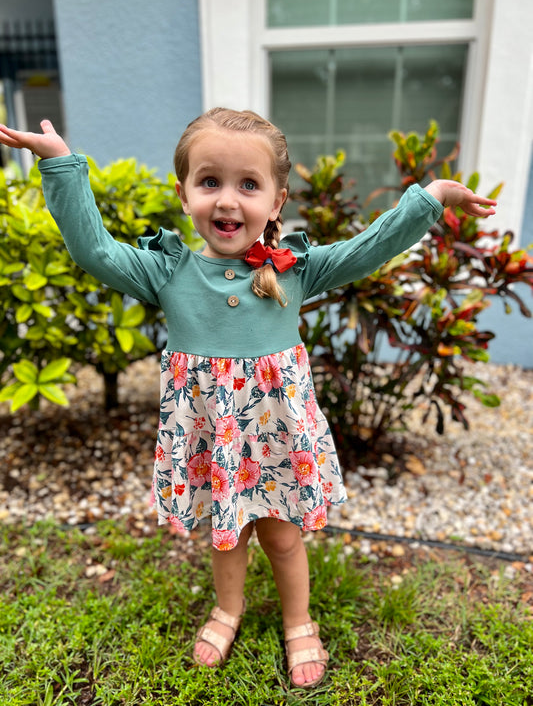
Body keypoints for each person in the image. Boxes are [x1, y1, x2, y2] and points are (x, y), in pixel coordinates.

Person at [0, 110, 496, 688]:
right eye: (209, 182)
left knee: (283, 536)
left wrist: (429, 198)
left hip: (277, 436)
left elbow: (371, 246)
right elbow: (94, 250)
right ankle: (227, 609)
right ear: (183, 194)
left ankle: (298, 620)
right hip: (217, 438)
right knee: (227, 531)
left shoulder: (297, 271)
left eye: (248, 185)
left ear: (277, 200)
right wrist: (60, 163)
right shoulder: (168, 272)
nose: (228, 201)